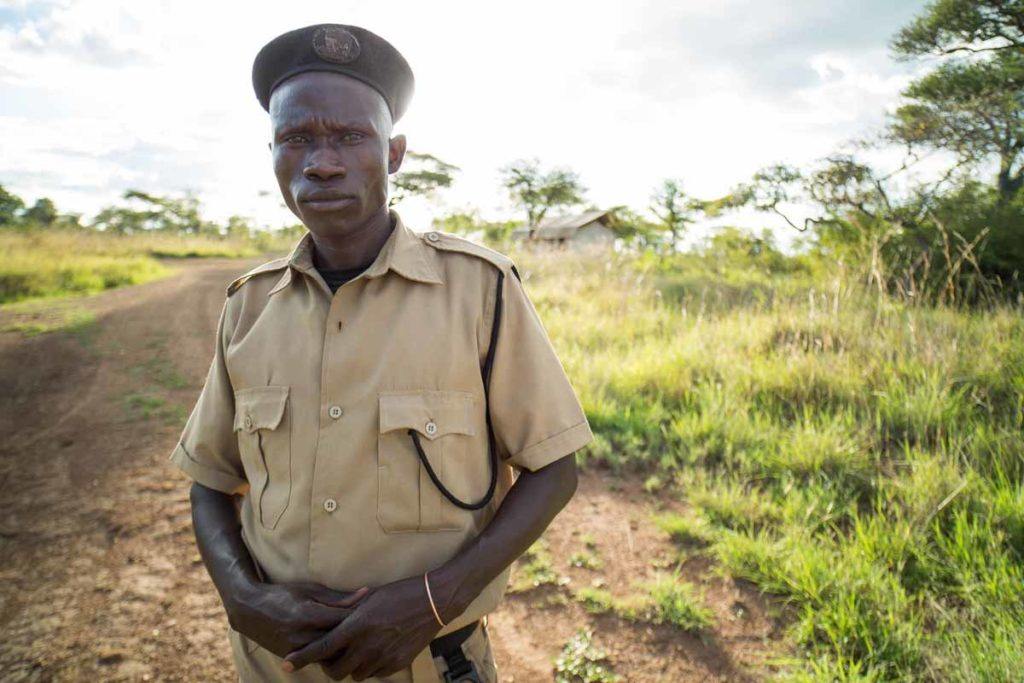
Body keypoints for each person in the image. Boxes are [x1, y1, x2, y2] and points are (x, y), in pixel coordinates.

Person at [170, 23, 593, 683]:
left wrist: (431, 601)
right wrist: (241, 596)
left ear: (394, 154)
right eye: (298, 138)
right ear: (274, 152)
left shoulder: (479, 292)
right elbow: (210, 479)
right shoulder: (247, 307)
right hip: (272, 666)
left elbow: (554, 468)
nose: (322, 161)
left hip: (431, 663)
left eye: (349, 137)